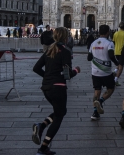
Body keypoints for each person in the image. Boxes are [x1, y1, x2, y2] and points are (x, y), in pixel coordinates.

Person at [32, 27, 81, 155]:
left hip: (46, 87)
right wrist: (76, 70)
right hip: (58, 88)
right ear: (66, 38)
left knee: (60, 111)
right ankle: (43, 148)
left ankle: (41, 126)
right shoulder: (65, 51)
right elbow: (67, 75)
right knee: (59, 116)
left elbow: (36, 68)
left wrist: (47, 78)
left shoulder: (49, 50)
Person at [88, 25, 119, 120]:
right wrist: (117, 63)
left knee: (97, 91)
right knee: (111, 88)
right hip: (106, 72)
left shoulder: (93, 43)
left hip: (95, 72)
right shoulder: (109, 43)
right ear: (107, 33)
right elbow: (111, 54)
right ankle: (101, 101)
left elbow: (89, 58)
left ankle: (95, 113)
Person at [113, 22, 124, 87]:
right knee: (121, 67)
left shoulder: (115, 33)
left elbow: (114, 42)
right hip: (123, 52)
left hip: (116, 51)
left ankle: (114, 71)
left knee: (120, 64)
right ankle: (115, 80)